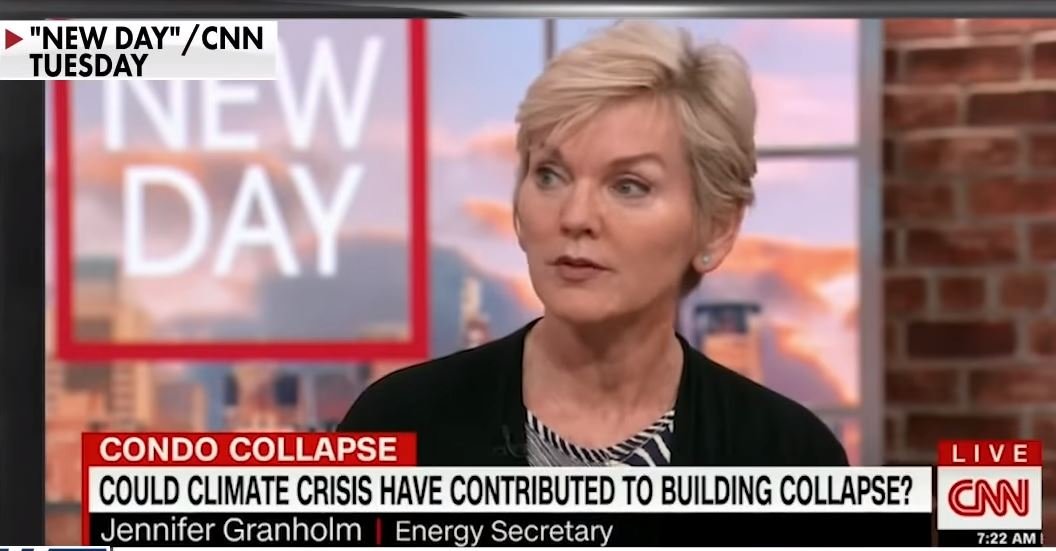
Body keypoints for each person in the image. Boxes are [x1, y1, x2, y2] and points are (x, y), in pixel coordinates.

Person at [339, 20, 848, 467]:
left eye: (628, 186)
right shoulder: (395, 427)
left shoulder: (790, 456)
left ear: (716, 227)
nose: (576, 216)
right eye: (550, 176)